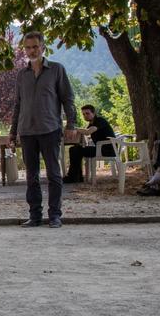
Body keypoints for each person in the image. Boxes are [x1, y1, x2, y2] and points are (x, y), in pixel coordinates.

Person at [8, 30, 78, 228]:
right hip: (27, 131)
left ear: (43, 47)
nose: (31, 51)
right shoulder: (22, 75)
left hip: (50, 129)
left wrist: (71, 124)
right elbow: (17, 105)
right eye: (28, 47)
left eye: (35, 47)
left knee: (54, 174)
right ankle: (35, 215)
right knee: (32, 176)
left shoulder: (57, 70)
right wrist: (13, 133)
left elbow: (68, 99)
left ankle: (55, 215)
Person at [64, 105, 116, 184]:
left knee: (75, 150)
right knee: (75, 149)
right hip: (100, 149)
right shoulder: (91, 124)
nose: (85, 116)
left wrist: (74, 128)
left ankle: (73, 177)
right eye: (83, 114)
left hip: (107, 150)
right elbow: (86, 133)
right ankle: (77, 177)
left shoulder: (100, 120)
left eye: (87, 113)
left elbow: (88, 132)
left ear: (94, 113)